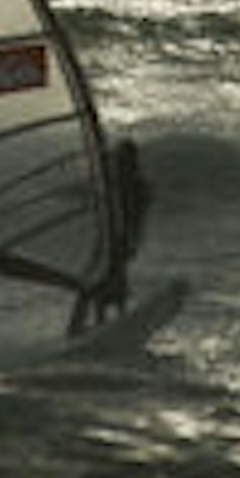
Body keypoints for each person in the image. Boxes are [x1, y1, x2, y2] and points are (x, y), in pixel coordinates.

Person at [67, 137, 152, 337]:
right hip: (108, 239)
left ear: (133, 161)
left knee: (114, 280)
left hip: (123, 240)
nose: (122, 164)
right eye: (120, 160)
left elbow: (139, 210)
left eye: (125, 160)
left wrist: (132, 237)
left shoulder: (137, 186)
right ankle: (83, 326)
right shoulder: (113, 182)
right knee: (94, 281)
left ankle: (113, 321)